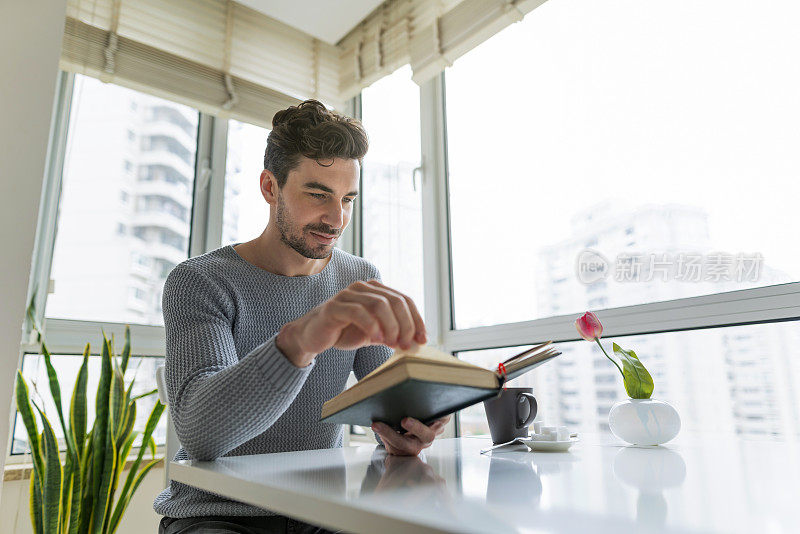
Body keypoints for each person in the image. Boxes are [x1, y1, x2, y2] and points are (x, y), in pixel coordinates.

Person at [153, 100, 450, 533]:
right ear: (270, 186)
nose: (337, 218)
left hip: (319, 512)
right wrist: (302, 339)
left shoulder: (359, 278)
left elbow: (389, 397)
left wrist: (410, 428)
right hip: (218, 514)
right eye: (318, 195)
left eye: (348, 198)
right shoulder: (199, 282)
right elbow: (201, 435)